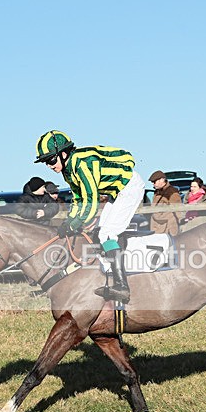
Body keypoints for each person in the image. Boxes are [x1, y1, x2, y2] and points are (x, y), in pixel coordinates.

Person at [35, 129, 144, 303]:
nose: (49, 165)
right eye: (45, 162)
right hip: (117, 192)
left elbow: (91, 201)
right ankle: (109, 275)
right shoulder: (68, 170)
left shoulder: (82, 164)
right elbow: (78, 199)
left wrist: (75, 223)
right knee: (100, 232)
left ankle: (122, 286)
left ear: (63, 154)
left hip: (129, 188)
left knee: (107, 234)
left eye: (51, 160)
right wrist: (69, 221)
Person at [148, 170, 183, 235]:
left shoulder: (172, 192)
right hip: (157, 228)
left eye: (154, 182)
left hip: (168, 229)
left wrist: (180, 223)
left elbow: (177, 211)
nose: (153, 184)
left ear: (162, 180)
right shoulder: (157, 192)